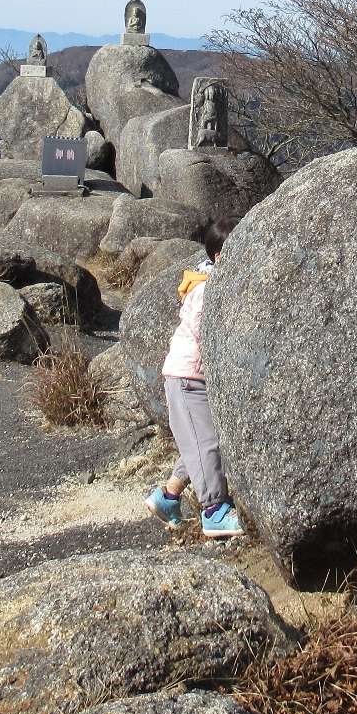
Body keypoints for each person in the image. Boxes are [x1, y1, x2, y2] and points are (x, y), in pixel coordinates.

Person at [145, 220, 243, 539]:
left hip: (192, 375)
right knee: (206, 444)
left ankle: (168, 497)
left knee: (202, 440)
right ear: (217, 255)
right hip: (189, 376)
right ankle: (214, 510)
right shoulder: (205, 289)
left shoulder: (211, 281)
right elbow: (205, 332)